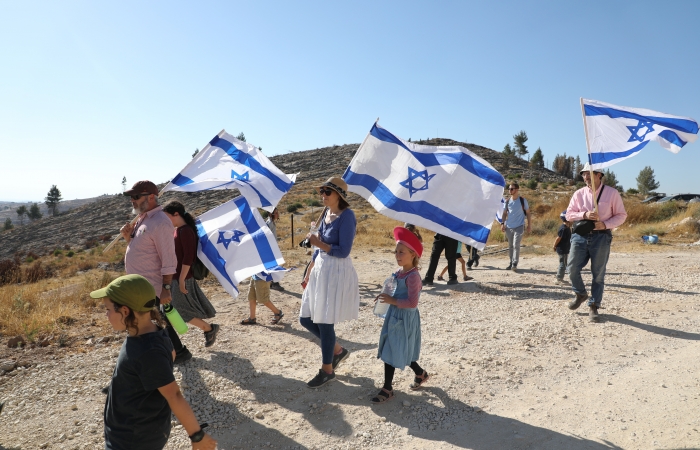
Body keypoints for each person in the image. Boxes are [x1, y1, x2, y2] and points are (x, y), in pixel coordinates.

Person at [91, 274, 216, 450]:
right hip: (133, 430)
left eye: (108, 309)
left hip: (132, 440)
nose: (106, 314)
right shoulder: (153, 330)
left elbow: (174, 395)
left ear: (125, 311)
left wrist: (197, 437)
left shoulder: (146, 350)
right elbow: (171, 354)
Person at [120, 181, 191, 363]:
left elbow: (169, 259)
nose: (132, 201)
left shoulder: (160, 222)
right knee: (158, 322)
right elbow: (142, 249)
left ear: (151, 197)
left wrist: (166, 288)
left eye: (136, 197)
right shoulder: (143, 219)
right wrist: (128, 238)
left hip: (151, 286)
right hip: (140, 285)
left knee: (142, 323)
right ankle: (179, 352)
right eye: (131, 197)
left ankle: (133, 366)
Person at [300, 177, 359, 388]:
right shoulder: (326, 213)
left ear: (339, 196)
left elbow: (343, 251)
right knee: (305, 318)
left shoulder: (347, 216)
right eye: (322, 191)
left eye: (327, 192)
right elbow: (318, 249)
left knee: (325, 323)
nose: (323, 195)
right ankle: (337, 351)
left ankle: (327, 370)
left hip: (335, 273)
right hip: (321, 270)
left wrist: (318, 243)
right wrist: (309, 271)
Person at [371, 226, 430, 403]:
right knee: (398, 348)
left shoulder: (413, 277)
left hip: (405, 319)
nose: (397, 255)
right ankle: (420, 373)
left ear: (413, 254)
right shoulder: (399, 272)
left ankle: (387, 389)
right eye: (396, 251)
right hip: (395, 316)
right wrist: (384, 296)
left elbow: (412, 302)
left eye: (401, 252)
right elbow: (394, 291)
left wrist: (392, 301)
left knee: (393, 349)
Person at [566, 163, 627, 322]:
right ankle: (580, 293)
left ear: (599, 175)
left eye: (589, 174)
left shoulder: (612, 193)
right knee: (572, 268)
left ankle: (594, 307)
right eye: (583, 174)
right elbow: (569, 215)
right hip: (580, 236)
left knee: (598, 274)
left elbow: (621, 215)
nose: (585, 177)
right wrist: (584, 214)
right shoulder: (579, 194)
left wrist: (606, 224)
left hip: (602, 236)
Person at [161, 200, 219, 347]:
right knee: (169, 309)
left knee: (179, 309)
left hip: (183, 277)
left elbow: (189, 257)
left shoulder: (186, 231)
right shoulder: (177, 230)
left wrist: (181, 280)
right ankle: (172, 344)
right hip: (175, 277)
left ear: (176, 214)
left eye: (167, 216)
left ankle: (209, 328)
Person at [501, 182, 531, 272]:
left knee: (516, 244)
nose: (510, 190)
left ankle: (515, 263)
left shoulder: (522, 200)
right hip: (509, 227)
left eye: (512, 189)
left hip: (519, 226)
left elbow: (528, 213)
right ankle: (511, 262)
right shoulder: (507, 201)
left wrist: (529, 225)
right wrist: (502, 224)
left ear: (517, 190)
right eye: (509, 189)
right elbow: (504, 214)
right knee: (510, 246)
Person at [267, 208, 285, 292]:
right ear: (271, 214)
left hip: (272, 247)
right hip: (270, 248)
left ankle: (271, 282)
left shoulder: (271, 223)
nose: (278, 214)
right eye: (276, 212)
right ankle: (274, 283)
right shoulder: (269, 223)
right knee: (274, 265)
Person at [553, 211, 571, 285]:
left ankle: (559, 276)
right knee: (563, 264)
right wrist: (554, 245)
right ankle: (559, 279)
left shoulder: (567, 227)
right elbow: (558, 238)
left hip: (565, 249)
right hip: (562, 249)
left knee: (564, 263)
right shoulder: (563, 228)